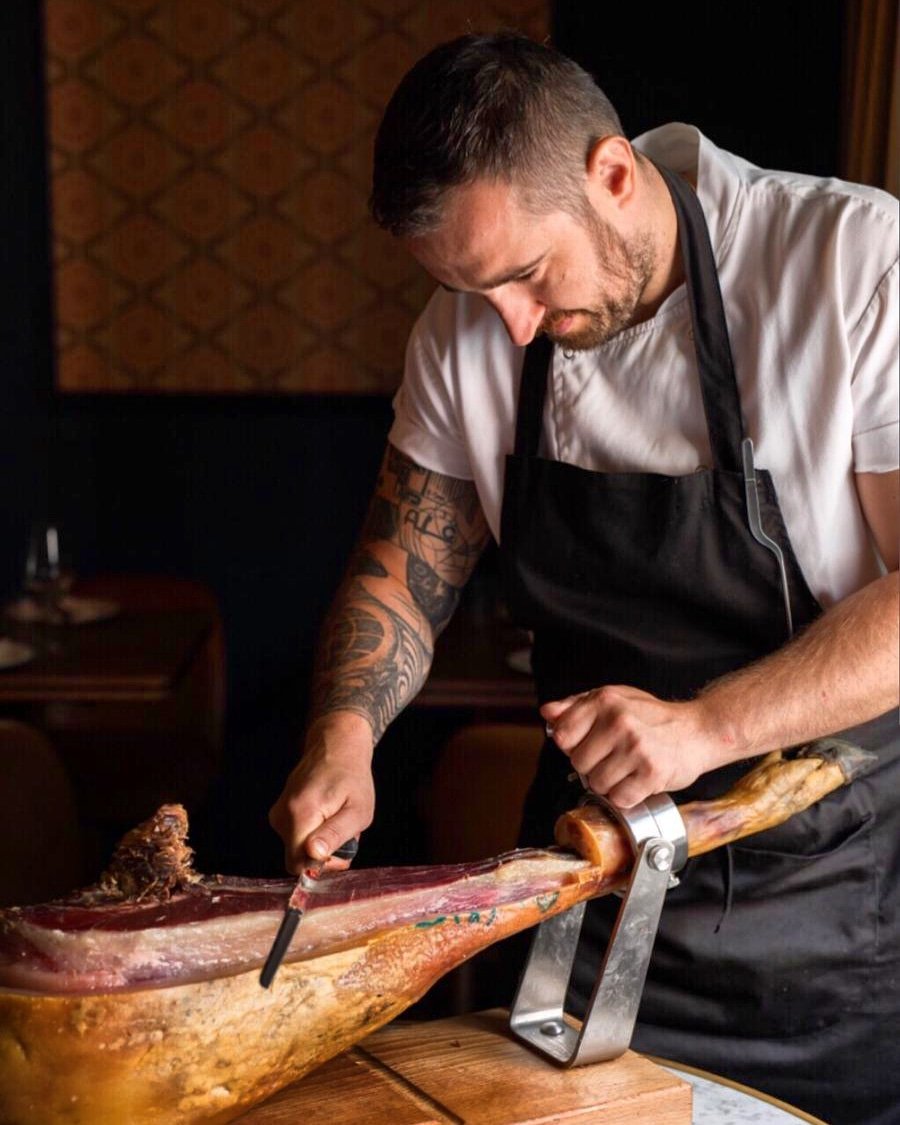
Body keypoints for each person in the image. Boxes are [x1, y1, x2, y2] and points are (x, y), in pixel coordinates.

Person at [270, 33, 899, 1124]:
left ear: (611, 173)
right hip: (585, 905)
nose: (509, 323)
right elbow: (399, 574)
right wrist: (345, 736)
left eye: (524, 274)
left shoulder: (849, 260)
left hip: (831, 925)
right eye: (470, 289)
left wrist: (704, 729)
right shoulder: (470, 328)